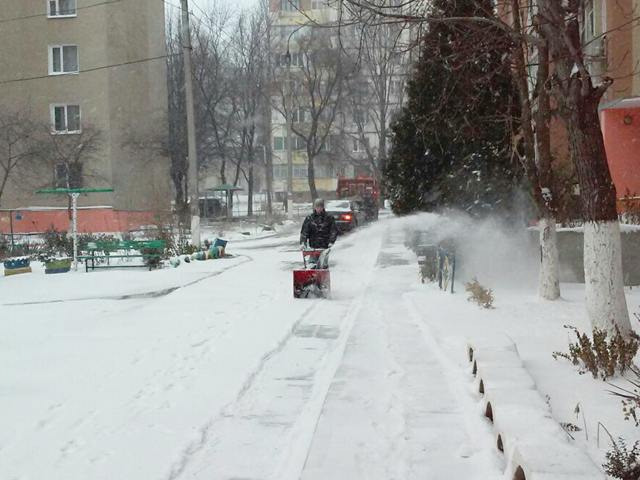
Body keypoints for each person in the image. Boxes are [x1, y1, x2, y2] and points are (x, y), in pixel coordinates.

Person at [300, 199, 338, 267]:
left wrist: (331, 241)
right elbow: (304, 232)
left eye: (320, 207)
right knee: (312, 264)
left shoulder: (329, 218)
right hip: (313, 247)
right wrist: (303, 243)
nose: (319, 209)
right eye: (317, 207)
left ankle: (323, 272)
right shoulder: (310, 218)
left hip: (324, 246)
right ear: (314, 207)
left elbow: (333, 231)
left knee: (322, 264)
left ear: (323, 207)